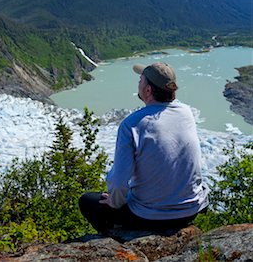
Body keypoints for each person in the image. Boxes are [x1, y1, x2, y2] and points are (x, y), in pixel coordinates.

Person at [79, 61, 209, 233]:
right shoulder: (186, 112)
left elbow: (118, 183)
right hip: (190, 211)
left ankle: (115, 237)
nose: (138, 83)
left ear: (148, 91)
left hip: (149, 217)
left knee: (87, 200)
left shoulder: (132, 124)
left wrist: (114, 202)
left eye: (141, 80)